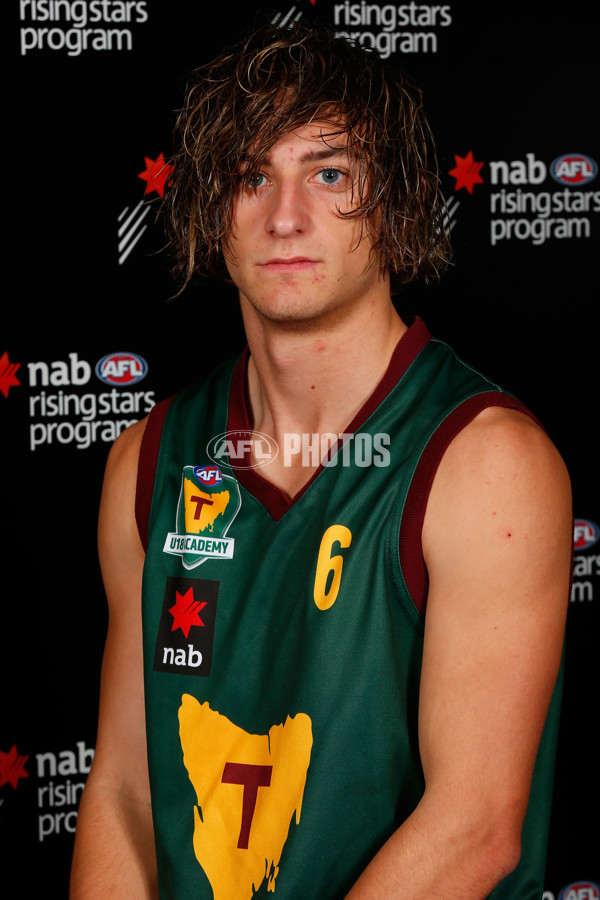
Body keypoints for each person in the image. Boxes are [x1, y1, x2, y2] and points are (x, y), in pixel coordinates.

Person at [70, 19, 572, 900]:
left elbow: (477, 826)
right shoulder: (148, 462)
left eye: (329, 173)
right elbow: (125, 790)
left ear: (398, 201)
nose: (287, 216)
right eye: (251, 176)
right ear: (207, 210)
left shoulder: (486, 463)